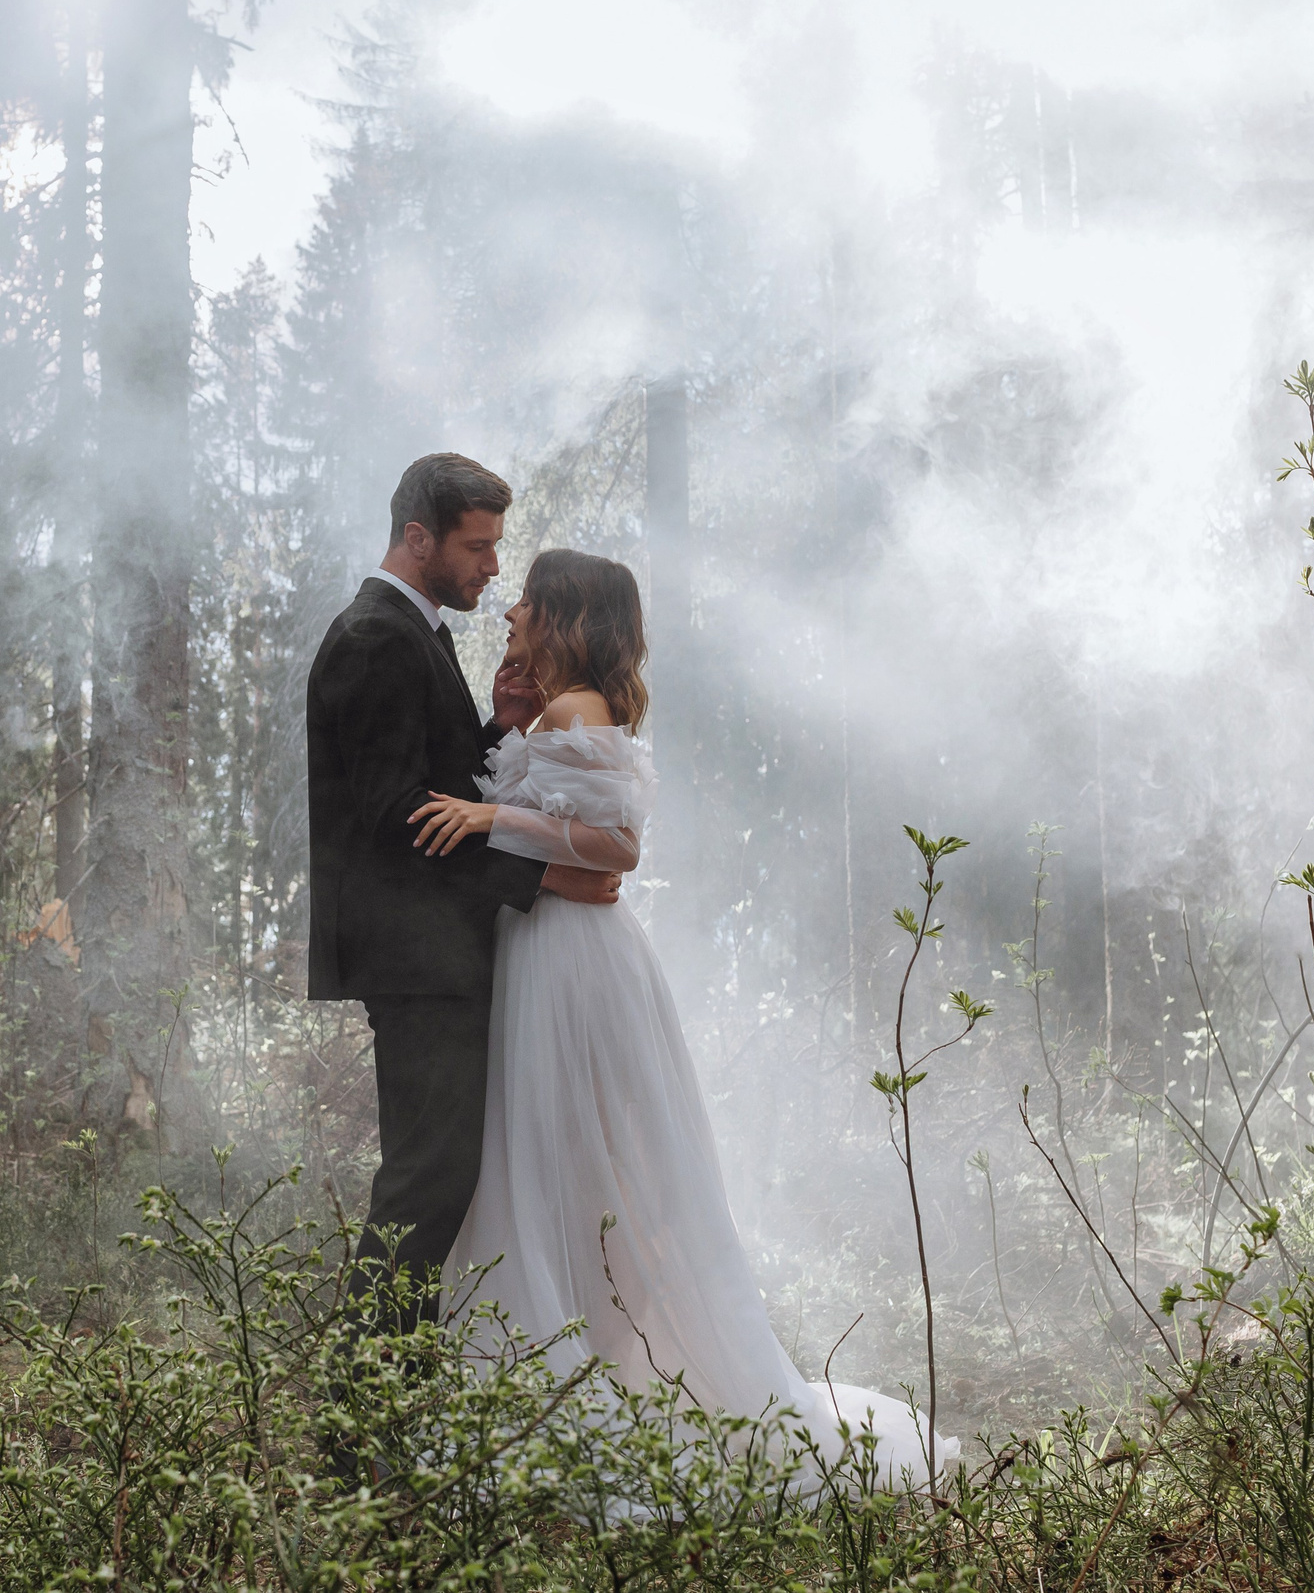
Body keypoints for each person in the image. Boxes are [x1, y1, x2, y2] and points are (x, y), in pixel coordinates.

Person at [408, 548, 957, 1488]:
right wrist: (506, 743)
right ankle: (570, 1374)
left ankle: (583, 1378)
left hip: (572, 962)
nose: (511, 612)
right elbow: (576, 841)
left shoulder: (581, 711)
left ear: (568, 618)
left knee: (579, 1165)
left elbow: (614, 850)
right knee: (564, 1170)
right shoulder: (558, 711)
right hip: (548, 951)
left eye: (529, 601)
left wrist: (489, 816)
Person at [304, 455, 624, 1335]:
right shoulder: (376, 636)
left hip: (440, 949)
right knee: (425, 1181)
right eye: (477, 547)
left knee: (440, 1178)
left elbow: (437, 785)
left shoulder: (417, 631)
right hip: (417, 958)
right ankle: (364, 1412)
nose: (492, 566)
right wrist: (546, 873)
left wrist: (502, 732)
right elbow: (397, 814)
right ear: (418, 537)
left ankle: (393, 1395)